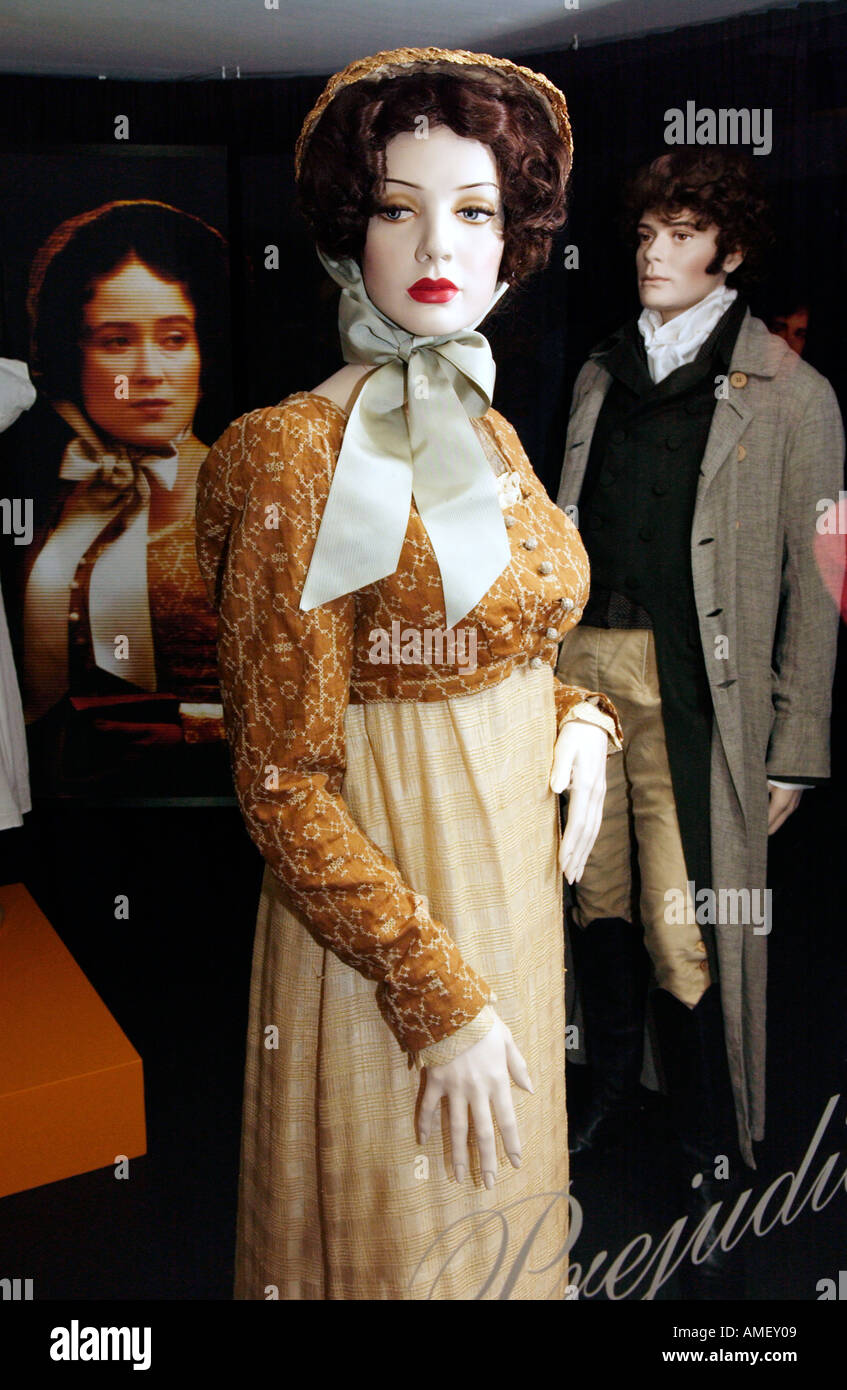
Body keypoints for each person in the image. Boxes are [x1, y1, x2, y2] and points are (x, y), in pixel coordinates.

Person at [195, 47, 621, 1301]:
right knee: (409, 1244)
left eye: (475, 210)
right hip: (391, 936)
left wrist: (576, 715)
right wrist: (434, 996)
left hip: (513, 903)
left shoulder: (483, 421)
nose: (439, 240)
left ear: (514, 238)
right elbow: (280, 778)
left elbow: (487, 642)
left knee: (505, 1227)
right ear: (349, 229)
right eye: (398, 206)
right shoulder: (290, 457)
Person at [555, 149, 844, 1293]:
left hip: (697, 699)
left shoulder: (792, 394)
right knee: (599, 900)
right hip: (588, 686)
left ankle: (710, 1132)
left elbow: (822, 580)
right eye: (643, 236)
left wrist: (797, 749)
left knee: (688, 922)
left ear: (727, 253)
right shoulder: (599, 374)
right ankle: (612, 1087)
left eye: (679, 237)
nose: (652, 256)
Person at [3, 200, 230, 793]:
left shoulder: (249, 494)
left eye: (175, 337)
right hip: (63, 815)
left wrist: (195, 730)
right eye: (116, 341)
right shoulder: (38, 499)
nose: (150, 370)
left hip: (221, 810)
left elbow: (316, 689)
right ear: (70, 355)